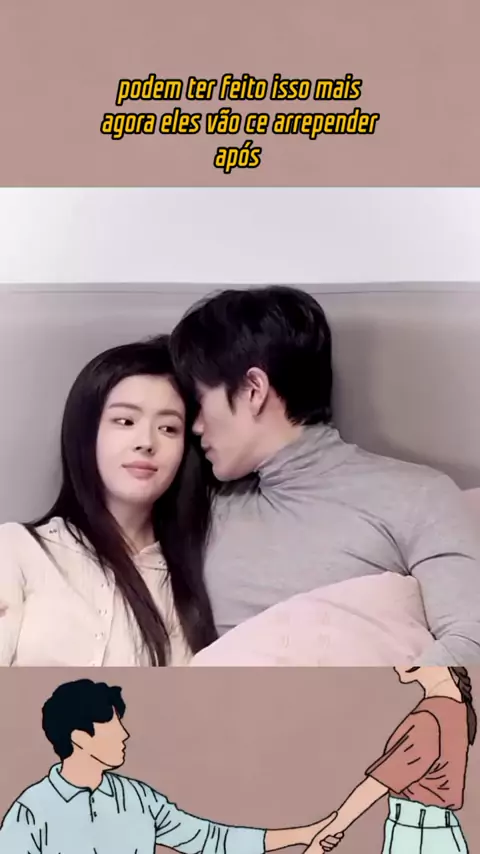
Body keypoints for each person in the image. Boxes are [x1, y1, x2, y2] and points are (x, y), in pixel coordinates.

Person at [169, 285, 480, 664]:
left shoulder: (418, 496)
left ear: (253, 390)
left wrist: (372, 705)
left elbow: (471, 641)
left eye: (200, 401)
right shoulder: (204, 508)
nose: (196, 426)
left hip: (371, 700)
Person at [0, 337, 218, 667]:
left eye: (168, 428)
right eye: (125, 421)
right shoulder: (17, 549)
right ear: (87, 433)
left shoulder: (196, 581)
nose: (146, 442)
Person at [0, 679, 342, 854]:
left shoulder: (137, 798)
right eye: (112, 726)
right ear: (80, 737)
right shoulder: (31, 811)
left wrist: (304, 834)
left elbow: (211, 840)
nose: (125, 734)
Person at [306, 666, 475, 854]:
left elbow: (377, 785)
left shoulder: (429, 717)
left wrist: (325, 835)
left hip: (417, 835)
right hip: (435, 833)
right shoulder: (455, 706)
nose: (395, 663)